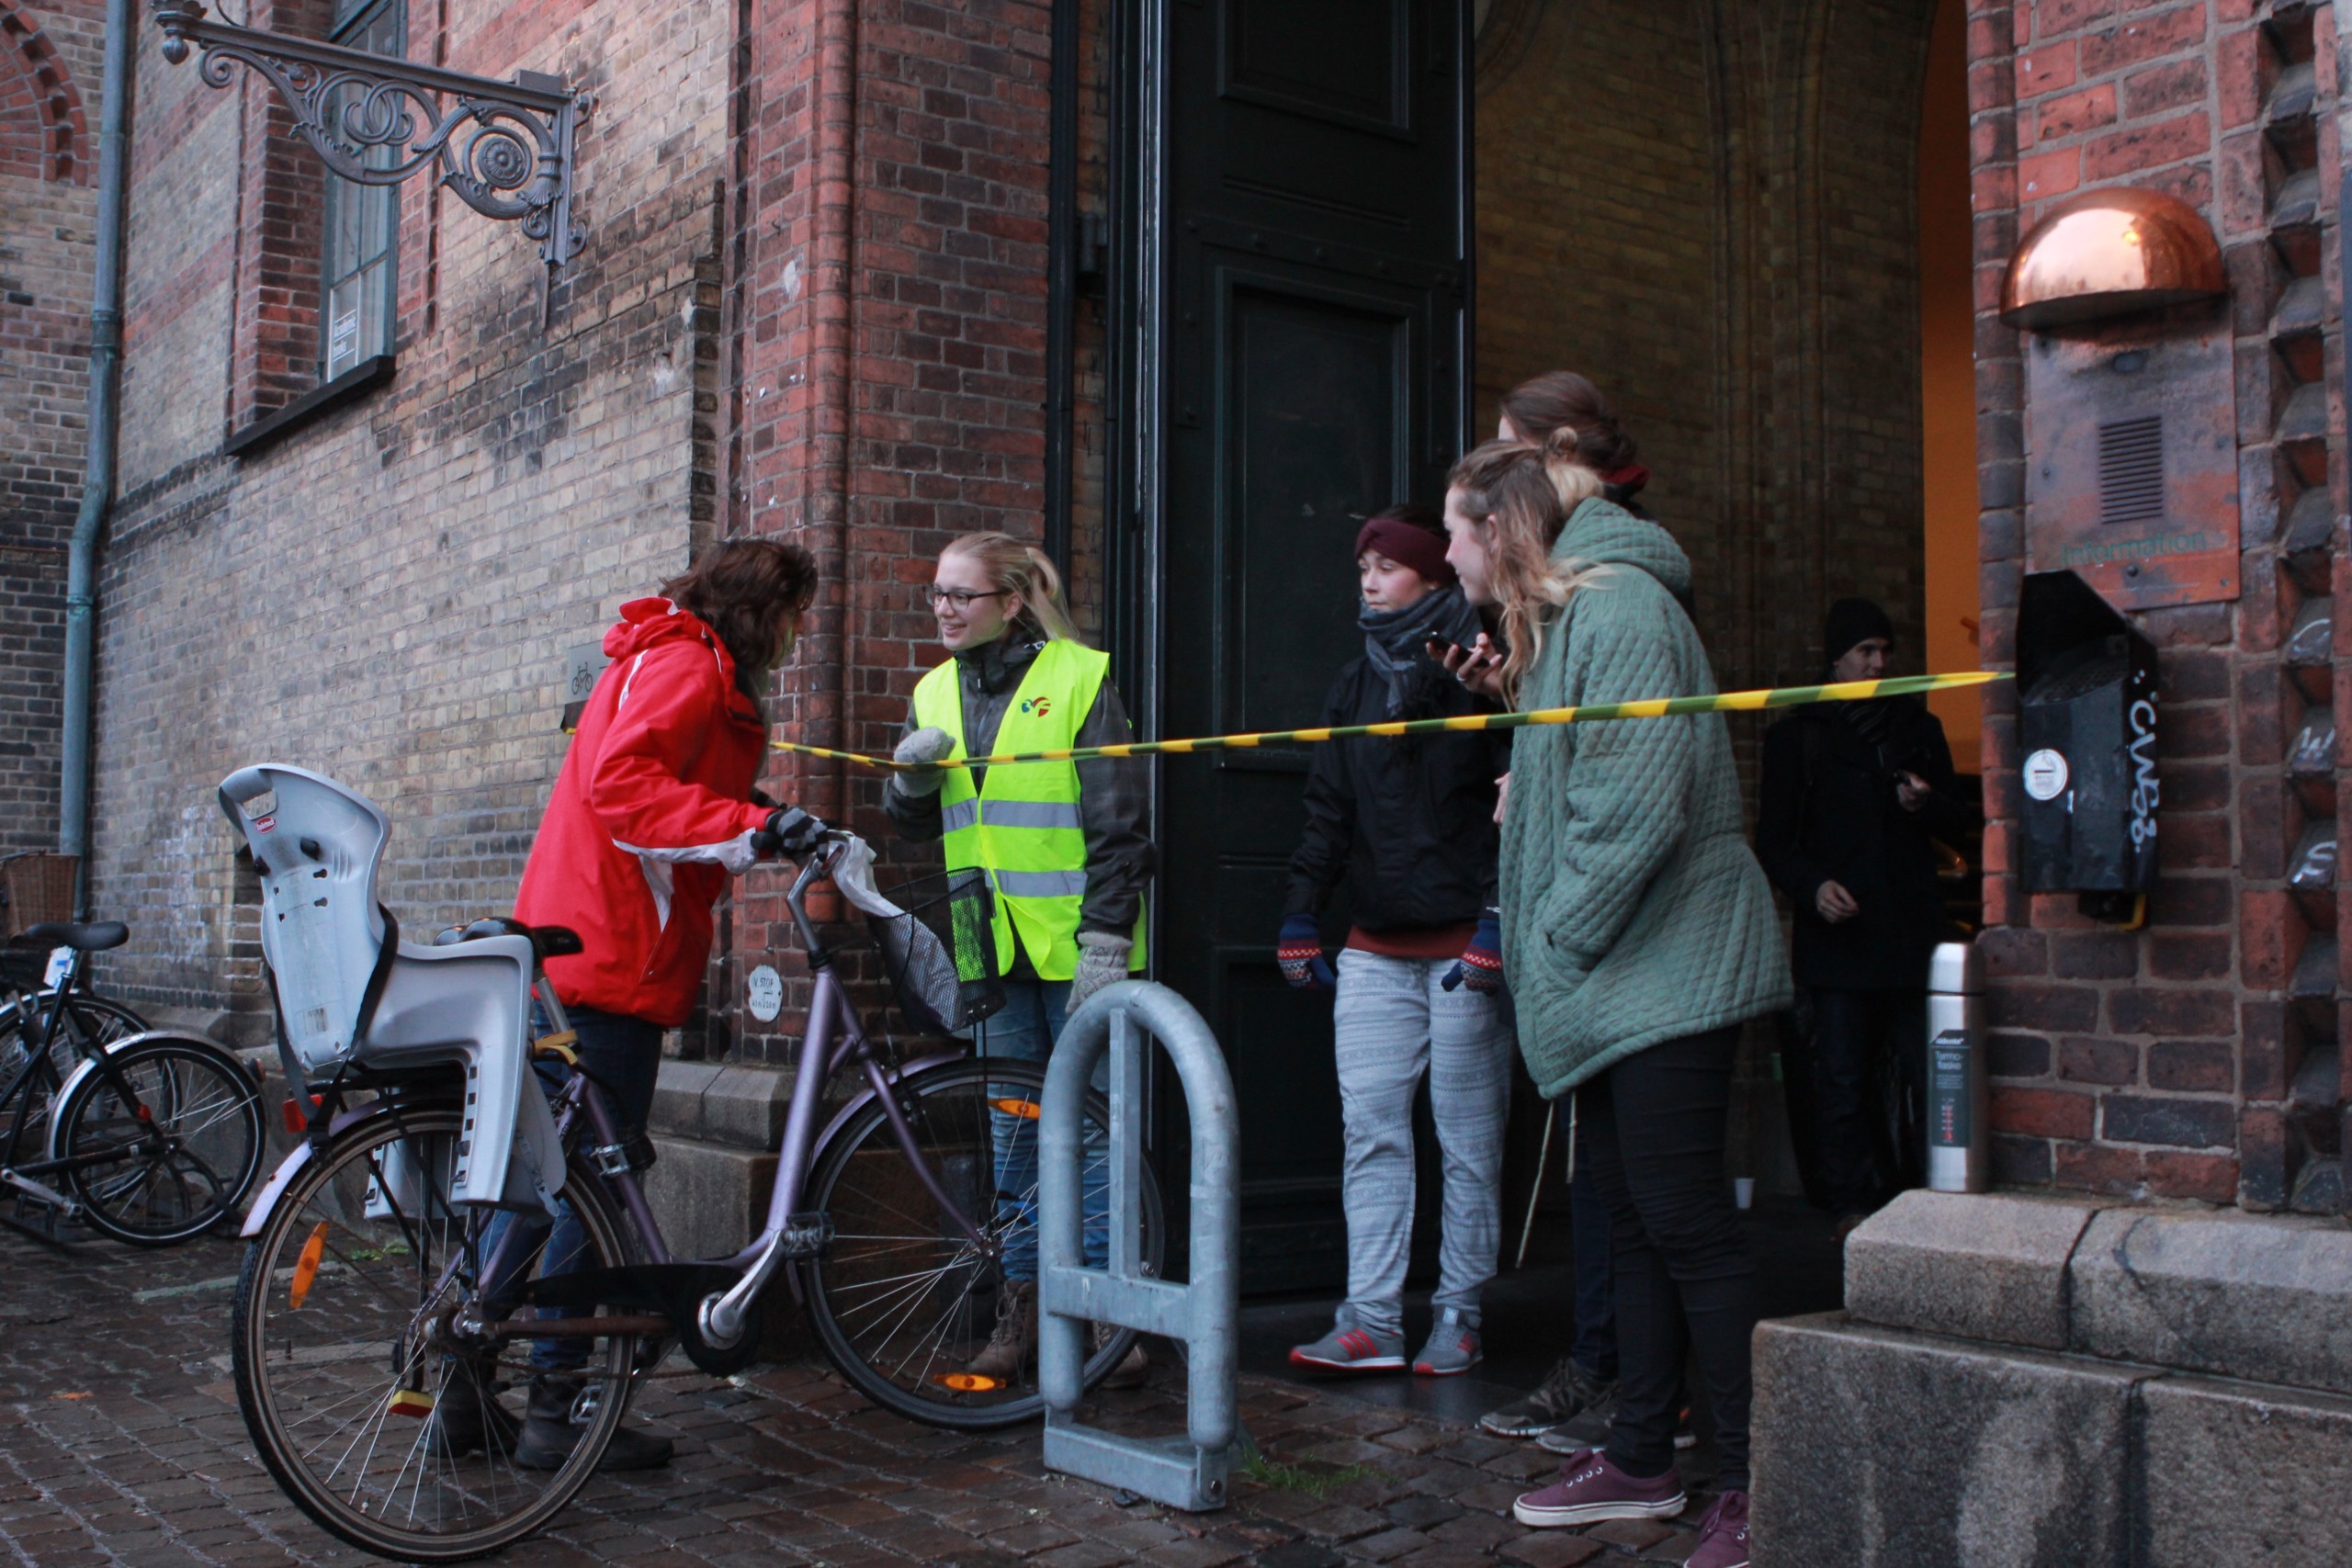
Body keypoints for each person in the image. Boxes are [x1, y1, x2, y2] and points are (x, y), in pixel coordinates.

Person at [1440, 432, 1788, 1568]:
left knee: (1684, 1220)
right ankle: (1642, 1451)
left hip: (1668, 965)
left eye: (1455, 531)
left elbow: (1635, 808)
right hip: (1617, 975)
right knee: (1632, 1220)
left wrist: (1552, 936)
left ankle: (1749, 1484)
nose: (1447, 557)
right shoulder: (1563, 624)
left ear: (1502, 531)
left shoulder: (1624, 608)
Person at [447, 536, 828, 1472]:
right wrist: (751, 823)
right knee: (587, 1198)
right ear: (763, 611)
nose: (791, 638)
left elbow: (666, 781)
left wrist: (761, 812)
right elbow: (628, 787)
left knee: (545, 1180)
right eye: (791, 618)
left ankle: (461, 1387)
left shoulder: (659, 656)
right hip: (611, 957)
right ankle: (556, 1413)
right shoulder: (691, 666)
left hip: (576, 948)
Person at [884, 531, 1154, 1385]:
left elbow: (1122, 825)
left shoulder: (1078, 676)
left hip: (1081, 949)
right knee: (1013, 1137)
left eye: (962, 595)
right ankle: (1026, 1309)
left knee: (1094, 1135)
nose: (945, 610)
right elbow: (919, 827)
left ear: (1010, 602)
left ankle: (1114, 1319)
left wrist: (1107, 942)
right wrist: (907, 786)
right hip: (985, 951)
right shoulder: (931, 690)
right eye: (937, 594)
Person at [1275, 504, 1514, 1378]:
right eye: (1362, 567)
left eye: (1386, 565)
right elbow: (1327, 810)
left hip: (1464, 948)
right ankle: (1372, 1318)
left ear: (1434, 575)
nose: (1368, 580)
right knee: (1371, 1133)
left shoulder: (1485, 671)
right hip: (1376, 947)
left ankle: (1460, 1311)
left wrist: (1495, 921)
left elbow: (1512, 804)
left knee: (1468, 1139)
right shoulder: (1355, 683)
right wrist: (1303, 913)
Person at [1475, 374, 1651, 1443]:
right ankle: (1604, 1360)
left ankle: (1633, 1381)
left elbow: (1631, 765)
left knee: (1636, 1189)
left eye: (1510, 452)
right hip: (1586, 926)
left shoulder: (1613, 565)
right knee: (1603, 1176)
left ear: (1562, 447)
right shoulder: (1568, 564)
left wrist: (1558, 932)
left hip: (1618, 937)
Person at [1756, 598, 1974, 1235]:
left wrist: (1924, 801)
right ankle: (1851, 1200)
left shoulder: (1917, 726)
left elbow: (1957, 817)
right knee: (1843, 1076)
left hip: (1909, 929)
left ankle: (1932, 1190)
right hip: (1841, 936)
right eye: (1865, 653)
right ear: (1838, 659)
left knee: (1928, 1067)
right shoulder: (1801, 736)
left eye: (1886, 650)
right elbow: (1773, 840)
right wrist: (1813, 886)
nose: (1879, 663)